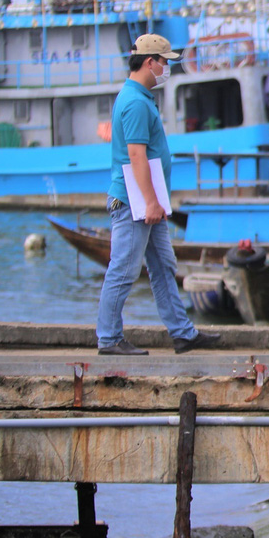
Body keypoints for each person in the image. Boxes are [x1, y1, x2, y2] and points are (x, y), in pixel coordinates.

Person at [96, 34, 220, 356]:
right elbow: (136, 155)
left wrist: (155, 201)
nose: (167, 68)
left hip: (149, 201)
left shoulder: (138, 97)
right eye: (165, 62)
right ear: (149, 62)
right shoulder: (136, 102)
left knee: (163, 266)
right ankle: (109, 339)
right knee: (124, 270)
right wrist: (151, 202)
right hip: (135, 202)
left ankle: (183, 333)